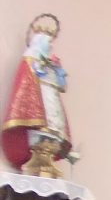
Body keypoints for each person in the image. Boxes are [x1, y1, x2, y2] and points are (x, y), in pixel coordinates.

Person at [1, 14, 73, 174]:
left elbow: (61, 85)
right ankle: (37, 157)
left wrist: (58, 72)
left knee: (53, 126)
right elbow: (28, 82)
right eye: (47, 43)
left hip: (51, 97)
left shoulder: (54, 62)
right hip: (40, 98)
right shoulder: (30, 59)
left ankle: (47, 156)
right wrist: (40, 67)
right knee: (41, 126)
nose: (49, 47)